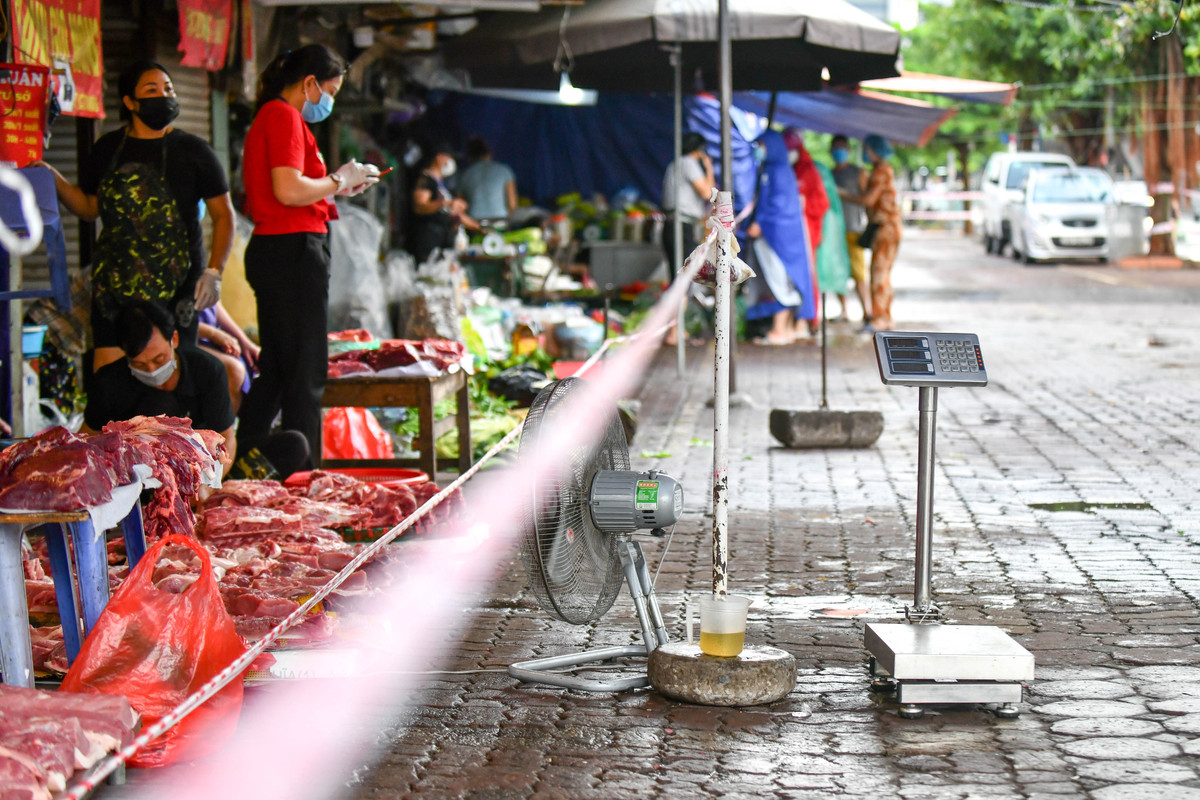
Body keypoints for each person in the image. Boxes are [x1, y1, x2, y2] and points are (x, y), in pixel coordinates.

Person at [36, 60, 235, 371]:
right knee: (110, 373)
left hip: (177, 285)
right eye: (152, 89)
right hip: (115, 286)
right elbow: (90, 208)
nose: (164, 95)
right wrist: (53, 179)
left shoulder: (195, 151)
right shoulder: (107, 148)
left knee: (171, 372)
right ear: (130, 102)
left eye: (168, 88)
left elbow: (224, 216)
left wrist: (214, 271)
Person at [238, 44, 381, 462]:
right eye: (331, 90)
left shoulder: (277, 117)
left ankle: (242, 460)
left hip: (283, 250)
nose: (330, 100)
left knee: (281, 370)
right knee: (304, 373)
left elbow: (297, 187)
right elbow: (289, 188)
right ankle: (305, 476)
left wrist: (341, 185)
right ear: (309, 83)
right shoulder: (282, 115)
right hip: (291, 251)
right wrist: (338, 180)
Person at [82, 301, 237, 477]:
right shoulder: (108, 382)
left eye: (159, 359)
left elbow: (226, 437)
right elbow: (87, 438)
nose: (151, 370)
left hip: (198, 469)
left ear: (175, 339)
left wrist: (209, 487)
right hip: (133, 474)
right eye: (139, 364)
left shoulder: (207, 370)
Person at [741, 130, 816, 345]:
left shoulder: (780, 171)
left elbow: (780, 207)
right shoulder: (771, 169)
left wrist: (761, 224)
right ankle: (782, 328)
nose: (759, 151)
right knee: (775, 281)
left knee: (781, 281)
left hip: (780, 239)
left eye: (762, 145)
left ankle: (781, 330)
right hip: (773, 236)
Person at [851, 134, 902, 330]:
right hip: (887, 227)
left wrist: (843, 194)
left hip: (885, 228)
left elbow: (869, 200)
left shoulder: (881, 170)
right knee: (882, 273)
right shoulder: (879, 170)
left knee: (880, 274)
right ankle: (883, 316)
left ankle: (881, 318)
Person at [830, 134, 873, 327]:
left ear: (848, 149)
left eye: (842, 147)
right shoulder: (830, 175)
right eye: (835, 147)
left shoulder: (859, 173)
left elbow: (867, 200)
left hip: (854, 229)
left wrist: (846, 195)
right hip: (834, 232)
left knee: (859, 274)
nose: (839, 151)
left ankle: (868, 313)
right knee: (838, 272)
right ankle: (844, 310)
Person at [410, 143, 478, 265]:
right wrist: (446, 203)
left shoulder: (441, 184)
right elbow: (420, 207)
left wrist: (478, 227)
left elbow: (452, 212)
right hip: (429, 243)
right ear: (439, 157)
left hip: (443, 244)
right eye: (448, 157)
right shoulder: (425, 180)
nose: (450, 162)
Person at [661, 131, 716, 278]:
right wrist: (709, 168)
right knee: (685, 276)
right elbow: (708, 193)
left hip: (670, 224)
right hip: (682, 226)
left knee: (676, 276)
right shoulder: (689, 163)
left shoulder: (674, 164)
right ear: (699, 150)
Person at [197, 302, 259, 412]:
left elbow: (213, 303)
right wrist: (213, 334)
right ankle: (224, 428)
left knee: (258, 360)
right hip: (185, 337)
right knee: (234, 369)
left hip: (211, 333)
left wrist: (244, 341)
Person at [456, 137, 517, 223]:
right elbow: (512, 204)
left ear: (469, 156)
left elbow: (459, 205)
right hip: (500, 220)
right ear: (489, 153)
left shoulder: (464, 175)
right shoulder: (504, 170)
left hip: (475, 222)